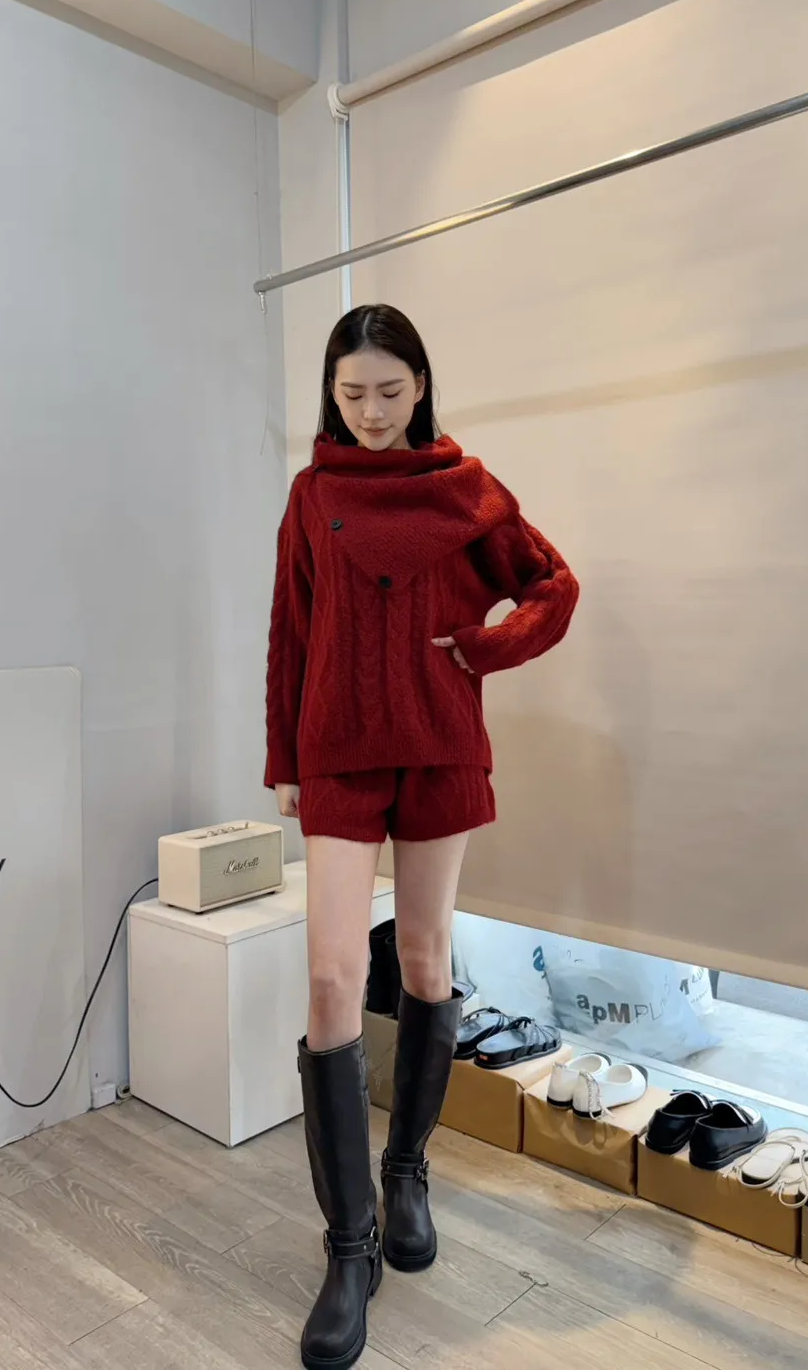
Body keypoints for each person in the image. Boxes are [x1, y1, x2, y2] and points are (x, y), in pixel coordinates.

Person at [265, 303, 579, 1370]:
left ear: (422, 385)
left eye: (390, 391)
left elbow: (552, 588)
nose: (371, 411)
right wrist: (284, 760)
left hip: (440, 747)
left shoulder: (466, 488)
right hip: (338, 754)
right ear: (330, 392)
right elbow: (291, 631)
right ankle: (348, 1245)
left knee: (424, 959)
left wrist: (483, 652)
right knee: (328, 978)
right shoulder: (312, 495)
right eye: (352, 392)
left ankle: (406, 1173)